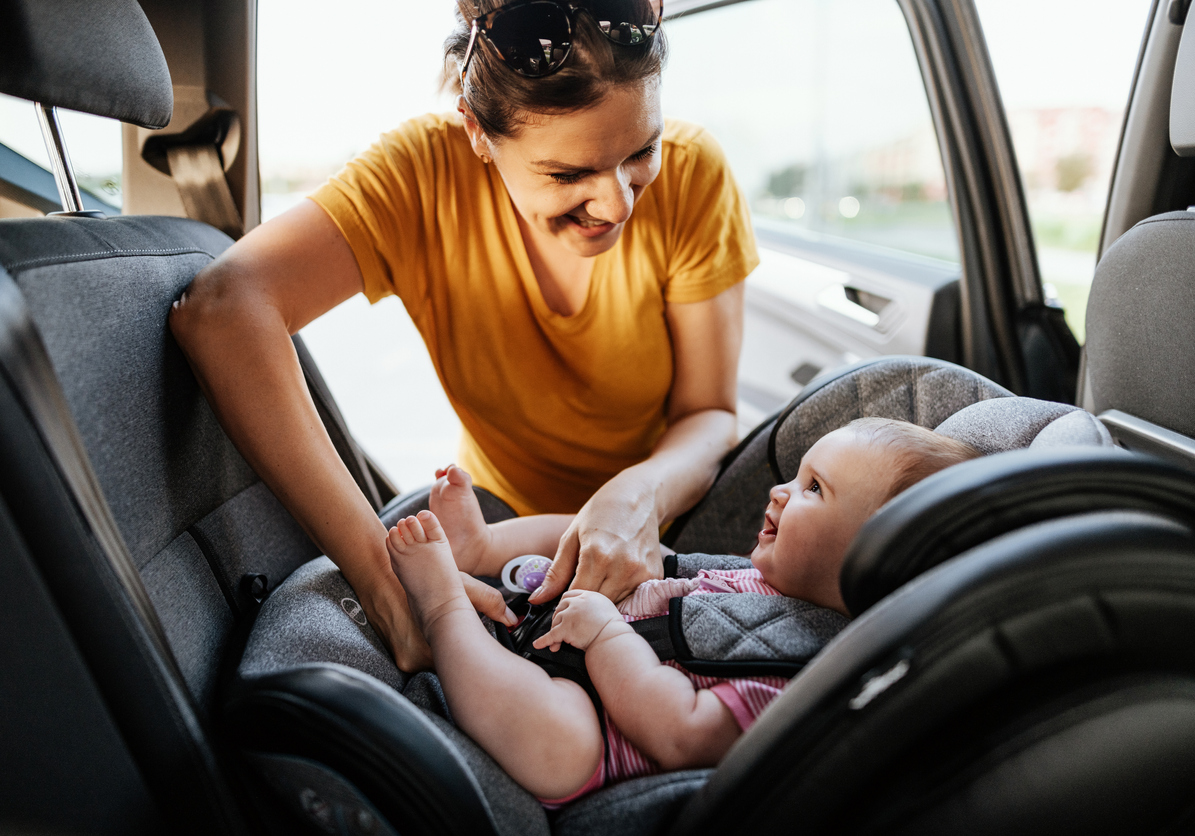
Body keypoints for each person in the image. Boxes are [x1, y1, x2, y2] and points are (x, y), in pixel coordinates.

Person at [169, 0, 757, 672]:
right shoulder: (422, 176)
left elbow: (708, 415)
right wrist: (383, 583)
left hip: (669, 520)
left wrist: (638, 494)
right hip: (501, 530)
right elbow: (220, 309)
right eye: (568, 174)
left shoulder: (696, 173)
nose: (619, 202)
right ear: (478, 132)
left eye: (640, 153)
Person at [385, 418, 982, 804]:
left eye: (813, 490)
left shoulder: (805, 673)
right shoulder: (761, 580)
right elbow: (669, 580)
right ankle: (483, 548)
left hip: (602, 731)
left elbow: (682, 732)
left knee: (561, 747)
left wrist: (607, 638)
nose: (779, 492)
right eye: (797, 477)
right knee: (639, 545)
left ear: (870, 560)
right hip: (580, 626)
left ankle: (440, 609)